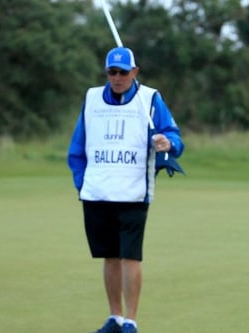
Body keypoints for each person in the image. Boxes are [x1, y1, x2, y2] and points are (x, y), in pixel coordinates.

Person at [67, 47, 184, 333]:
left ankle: (130, 320)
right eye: (112, 72)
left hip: (133, 191)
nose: (117, 78)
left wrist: (168, 144)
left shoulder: (150, 99)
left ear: (135, 72)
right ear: (106, 72)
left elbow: (173, 136)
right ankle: (115, 317)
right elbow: (77, 147)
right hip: (97, 192)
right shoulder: (92, 98)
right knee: (109, 255)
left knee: (130, 255)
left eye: (123, 72)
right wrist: (83, 183)